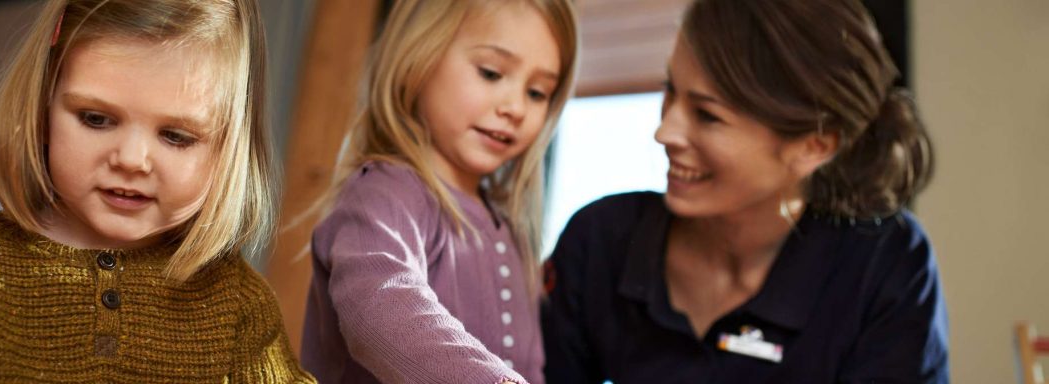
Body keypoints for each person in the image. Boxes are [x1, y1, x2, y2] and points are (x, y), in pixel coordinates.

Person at [541, 0, 949, 383]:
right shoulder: (599, 240)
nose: (664, 131)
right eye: (671, 90)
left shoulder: (885, 265)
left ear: (814, 146)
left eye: (707, 115)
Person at [0, 0, 315, 382]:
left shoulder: (238, 303)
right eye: (96, 119)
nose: (132, 159)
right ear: (42, 108)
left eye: (175, 136)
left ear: (228, 150)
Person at [298, 0, 578, 383]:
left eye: (537, 93)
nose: (515, 107)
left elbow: (529, 367)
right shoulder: (385, 191)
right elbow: (379, 310)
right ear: (419, 59)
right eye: (491, 73)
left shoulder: (508, 234)